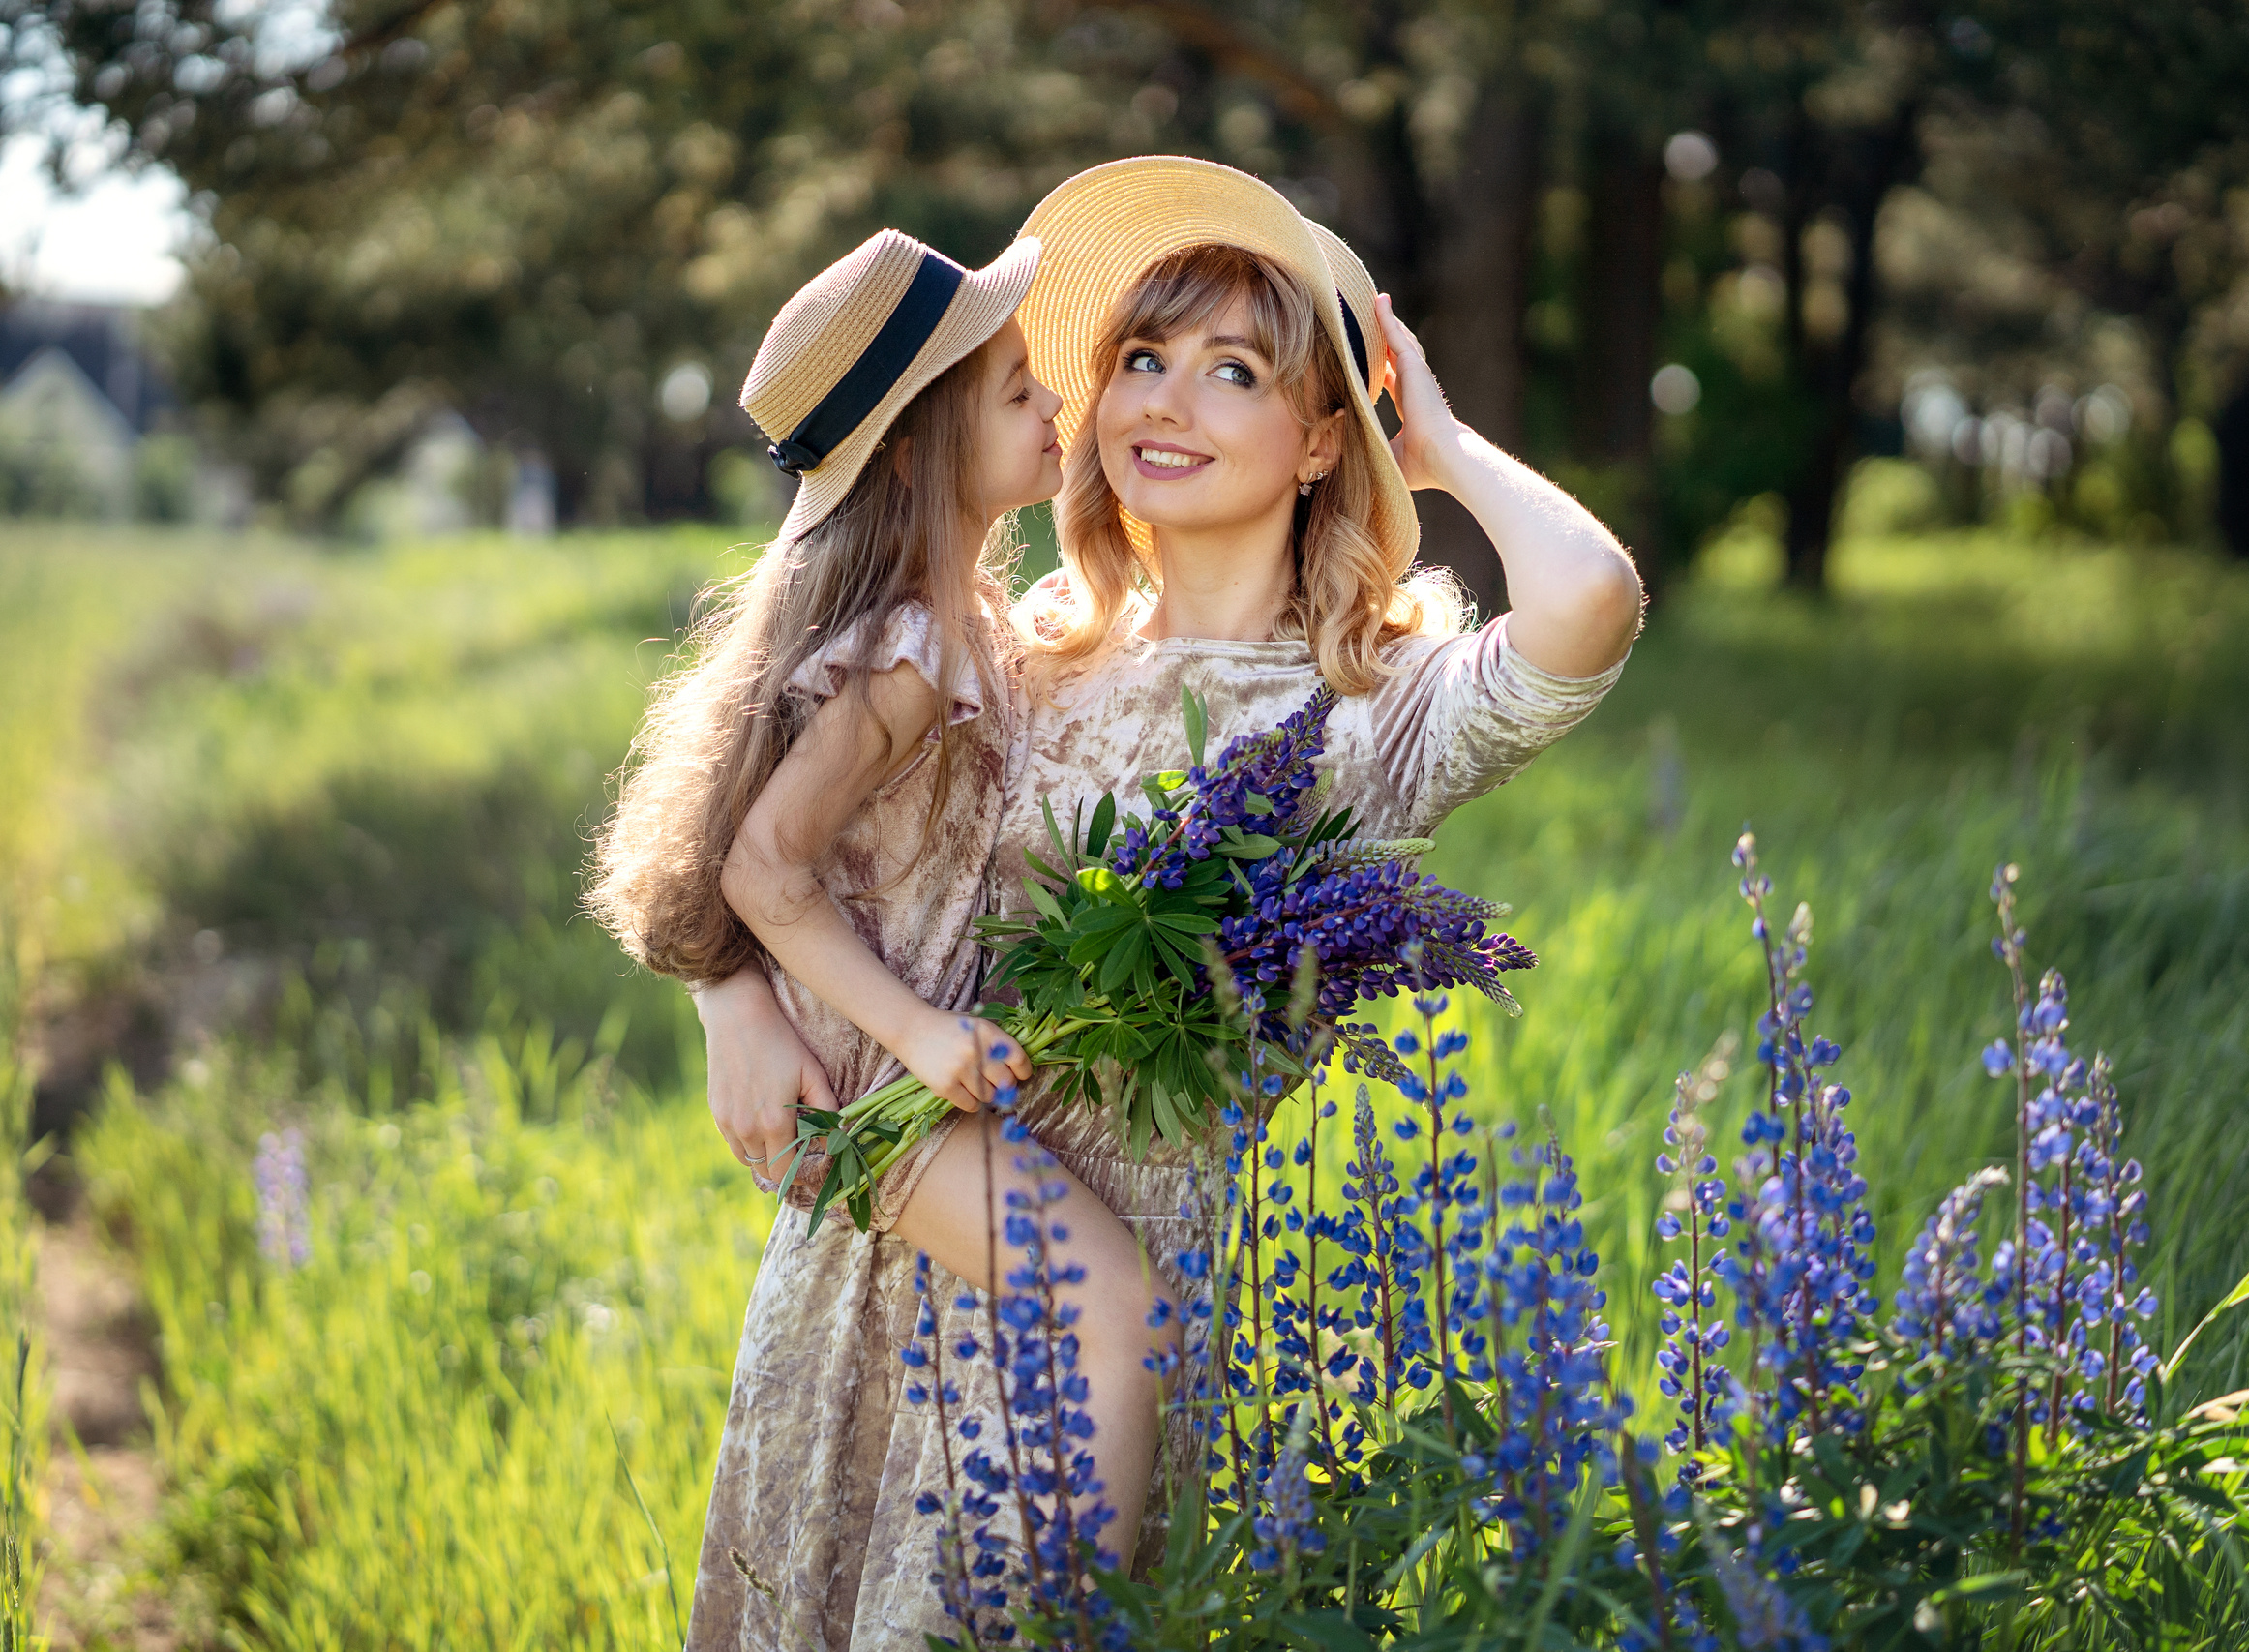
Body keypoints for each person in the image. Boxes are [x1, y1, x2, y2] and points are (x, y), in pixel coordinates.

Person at [688, 156, 1645, 1650]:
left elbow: (1589, 600)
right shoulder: (1014, 658)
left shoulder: (1360, 720)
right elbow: (760, 832)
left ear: (1322, 438)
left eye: (1233, 371)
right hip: (902, 1242)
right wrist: (729, 1002)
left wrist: (1442, 447)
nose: (1163, 402)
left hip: (1118, 1298)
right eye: (1140, 358)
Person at [584, 228, 1175, 1650]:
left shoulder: (946, 620)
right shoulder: (908, 650)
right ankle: (1075, 1622)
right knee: (1118, 1306)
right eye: (1017, 390)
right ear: (916, 451)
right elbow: (761, 866)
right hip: (871, 1090)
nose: (1058, 409)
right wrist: (916, 1032)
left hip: (881, 1076)